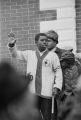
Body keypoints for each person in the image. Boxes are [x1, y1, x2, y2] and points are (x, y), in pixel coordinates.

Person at [8, 32, 63, 120]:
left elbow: (58, 72)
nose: (45, 42)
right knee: (32, 117)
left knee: (47, 117)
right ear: (36, 42)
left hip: (47, 93)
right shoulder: (29, 54)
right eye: (42, 40)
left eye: (46, 40)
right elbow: (15, 54)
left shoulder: (53, 56)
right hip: (32, 93)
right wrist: (12, 44)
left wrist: (57, 86)